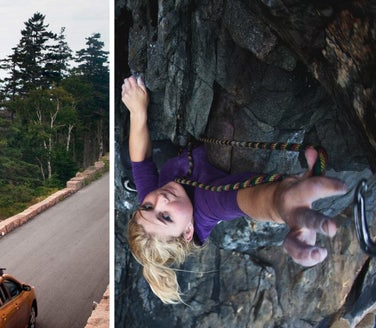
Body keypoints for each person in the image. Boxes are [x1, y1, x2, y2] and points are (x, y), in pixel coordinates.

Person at [121, 75, 348, 304]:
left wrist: (137, 111)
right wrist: (284, 205)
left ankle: (141, 186)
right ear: (188, 232)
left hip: (183, 160)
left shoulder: (154, 201)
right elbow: (250, 201)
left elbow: (141, 161)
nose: (159, 200)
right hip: (210, 168)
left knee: (129, 159)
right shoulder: (209, 203)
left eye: (147, 207)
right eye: (166, 217)